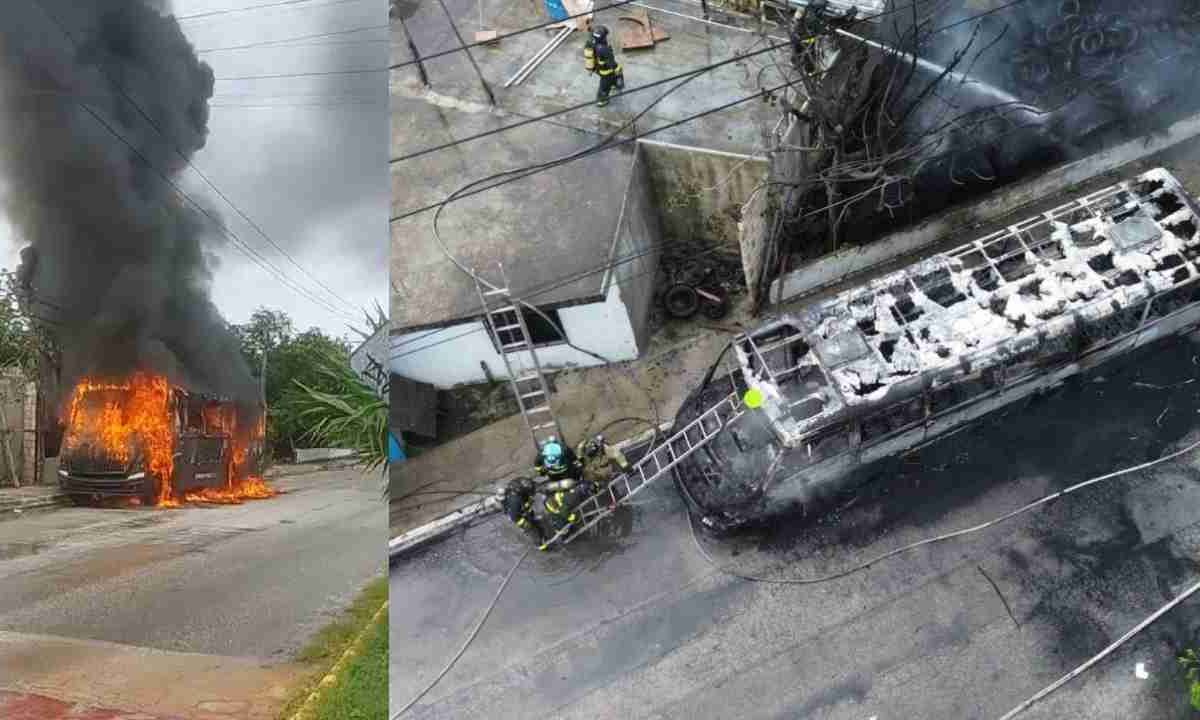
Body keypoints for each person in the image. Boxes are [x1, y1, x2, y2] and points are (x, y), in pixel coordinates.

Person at [583, 24, 624, 107]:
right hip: (606, 71)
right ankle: (602, 100)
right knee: (605, 86)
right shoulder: (604, 49)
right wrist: (617, 69)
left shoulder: (591, 42)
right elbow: (611, 62)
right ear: (603, 37)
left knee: (611, 77)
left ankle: (614, 84)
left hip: (597, 68)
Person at [501, 477, 548, 543]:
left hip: (527, 512)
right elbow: (514, 516)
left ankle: (543, 537)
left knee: (537, 525)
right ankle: (540, 544)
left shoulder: (525, 485)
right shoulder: (514, 501)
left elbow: (535, 487)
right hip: (519, 516)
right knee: (532, 531)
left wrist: (544, 492)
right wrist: (524, 523)